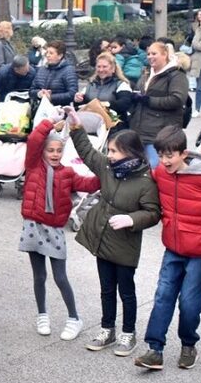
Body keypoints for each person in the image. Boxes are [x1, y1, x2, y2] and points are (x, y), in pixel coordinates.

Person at [67, 113, 161, 356]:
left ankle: (128, 334)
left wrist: (132, 219)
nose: (109, 155)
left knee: (126, 291)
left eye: (115, 151)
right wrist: (76, 127)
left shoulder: (145, 181)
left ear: (131, 153)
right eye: (109, 150)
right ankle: (107, 329)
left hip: (125, 243)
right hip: (102, 237)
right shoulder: (108, 168)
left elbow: (152, 212)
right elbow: (87, 152)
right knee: (106, 288)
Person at [134, 125, 201, 371]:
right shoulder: (160, 173)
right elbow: (140, 182)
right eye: (161, 155)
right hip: (172, 248)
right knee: (163, 296)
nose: (164, 161)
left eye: (170, 155)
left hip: (200, 252)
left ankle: (188, 344)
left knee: (189, 303)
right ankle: (155, 349)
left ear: (184, 154)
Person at [19, 118, 100, 340]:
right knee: (39, 276)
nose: (55, 154)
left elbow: (90, 184)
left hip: (54, 229)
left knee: (60, 276)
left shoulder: (68, 173)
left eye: (59, 150)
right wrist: (50, 121)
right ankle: (42, 314)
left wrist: (105, 170)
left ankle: (74, 318)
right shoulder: (33, 164)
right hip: (33, 225)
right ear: (42, 151)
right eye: (50, 150)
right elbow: (35, 139)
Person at [128, 41, 190, 167]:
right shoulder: (146, 73)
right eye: (148, 54)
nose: (150, 56)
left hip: (160, 132)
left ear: (165, 55)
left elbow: (177, 99)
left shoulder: (176, 75)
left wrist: (148, 100)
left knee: (155, 168)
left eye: (154, 53)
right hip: (140, 131)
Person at [74, 52, 133, 127]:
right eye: (99, 67)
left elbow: (124, 104)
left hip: (114, 127)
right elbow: (80, 105)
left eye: (104, 67)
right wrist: (77, 100)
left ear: (113, 69)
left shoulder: (121, 85)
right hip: (91, 125)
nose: (101, 70)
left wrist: (106, 104)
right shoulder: (90, 85)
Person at [30, 40, 78, 106]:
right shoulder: (42, 69)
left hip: (60, 110)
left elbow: (72, 93)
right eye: (47, 53)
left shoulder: (68, 70)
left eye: (51, 53)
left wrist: (51, 97)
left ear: (60, 56)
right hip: (40, 109)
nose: (47, 55)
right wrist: (39, 93)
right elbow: (32, 90)